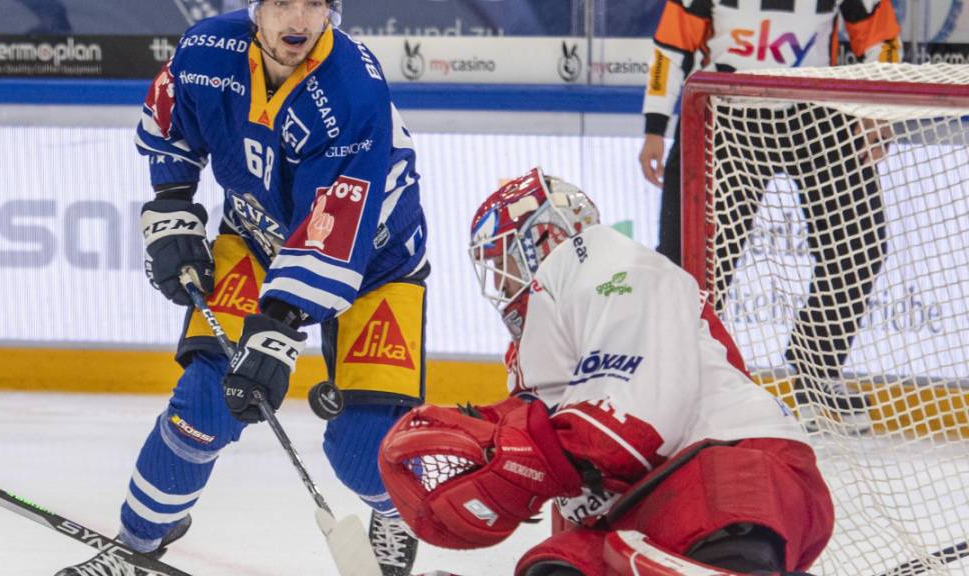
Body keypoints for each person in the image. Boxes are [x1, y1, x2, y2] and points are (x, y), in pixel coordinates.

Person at [57, 1, 427, 575]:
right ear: (256, 8)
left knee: (362, 449)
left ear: (333, 11)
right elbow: (167, 123)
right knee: (203, 404)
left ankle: (396, 513)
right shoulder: (206, 49)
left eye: (312, 4)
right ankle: (136, 547)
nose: (296, 21)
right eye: (281, 3)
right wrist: (173, 204)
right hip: (257, 233)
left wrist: (275, 328)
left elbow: (332, 233)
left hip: (377, 262)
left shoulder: (353, 92)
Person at [378, 168, 834, 576]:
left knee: (678, 529)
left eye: (504, 263)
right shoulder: (539, 347)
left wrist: (529, 455)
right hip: (646, 505)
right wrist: (490, 437)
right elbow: (561, 456)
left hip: (727, 466)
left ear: (545, 237)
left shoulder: (598, 257)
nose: (499, 284)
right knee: (556, 565)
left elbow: (633, 424)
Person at [638, 0, 903, 431]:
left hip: (817, 109)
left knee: (860, 244)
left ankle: (817, 370)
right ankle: (681, 378)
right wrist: (653, 127)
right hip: (724, 110)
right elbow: (672, 46)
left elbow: (881, 40)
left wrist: (879, 110)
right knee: (688, 259)